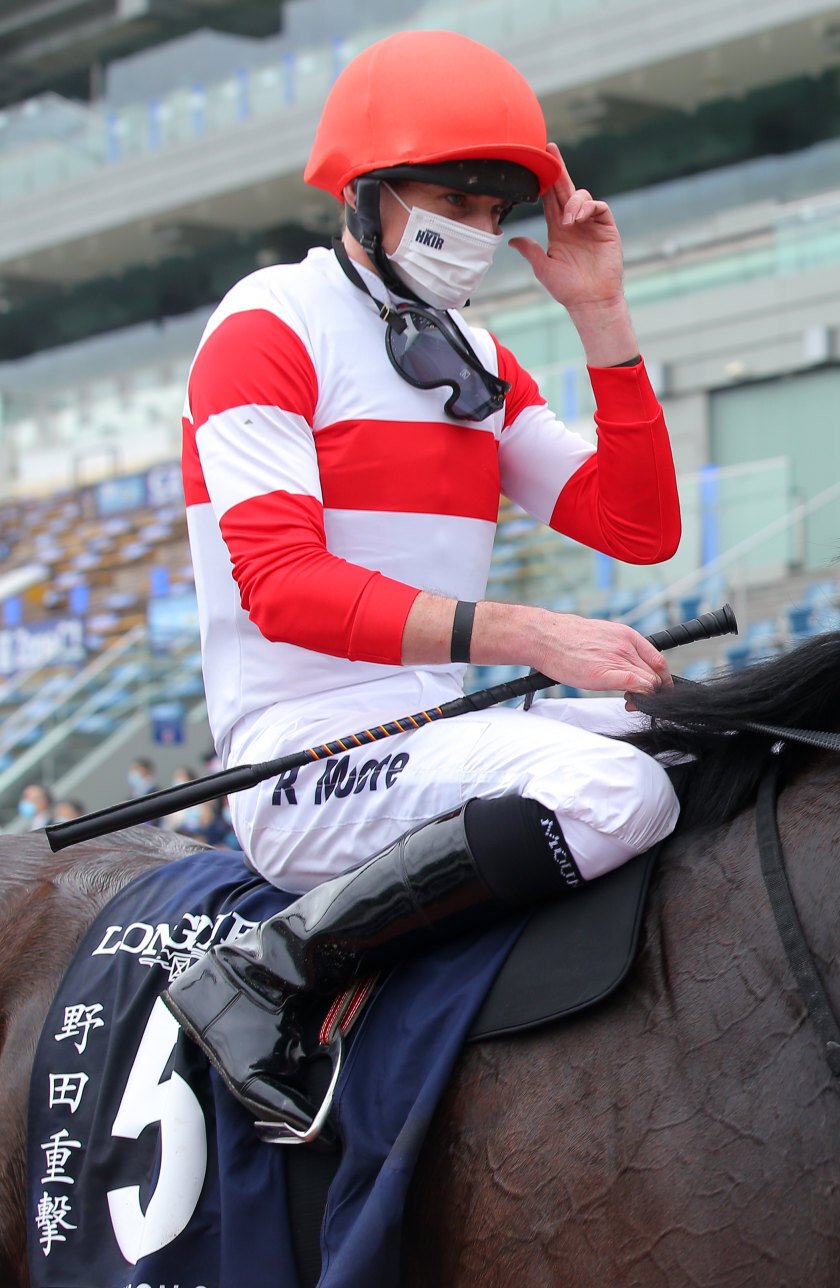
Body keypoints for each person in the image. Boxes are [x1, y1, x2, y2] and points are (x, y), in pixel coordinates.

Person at [163, 30, 684, 1141]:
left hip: (439, 734)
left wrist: (599, 315)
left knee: (707, 742)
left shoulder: (480, 360)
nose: (482, 231)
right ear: (365, 191)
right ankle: (268, 971)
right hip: (303, 757)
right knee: (616, 796)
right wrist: (527, 633)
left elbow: (636, 528)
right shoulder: (267, 326)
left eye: (500, 208)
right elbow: (283, 586)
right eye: (456, 195)